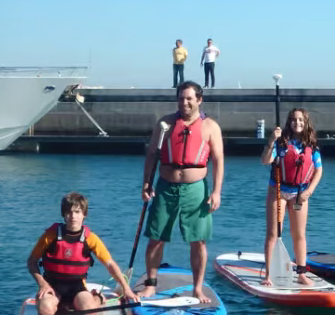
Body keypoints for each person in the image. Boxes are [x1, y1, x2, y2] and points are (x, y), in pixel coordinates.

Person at [139, 81, 224, 303]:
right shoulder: (165, 124)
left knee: (198, 240)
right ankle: (151, 285)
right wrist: (147, 183)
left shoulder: (210, 127)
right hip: (165, 187)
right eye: (181, 98)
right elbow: (152, 155)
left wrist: (216, 192)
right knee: (156, 237)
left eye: (189, 98)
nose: (184, 102)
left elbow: (218, 160)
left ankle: (197, 288)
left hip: (196, 189)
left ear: (199, 100)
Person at [27, 193, 139, 315]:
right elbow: (31, 262)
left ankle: (97, 298)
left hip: (77, 288)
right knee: (45, 308)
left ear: (84, 214)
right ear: (63, 214)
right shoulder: (50, 236)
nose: (73, 216)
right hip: (52, 287)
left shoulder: (90, 238)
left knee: (89, 309)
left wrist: (126, 288)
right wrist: (42, 284)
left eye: (77, 212)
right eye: (69, 212)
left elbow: (110, 264)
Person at [259, 108, 323, 286]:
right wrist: (271, 140)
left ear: (306, 122)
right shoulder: (280, 143)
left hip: (300, 194)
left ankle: (301, 273)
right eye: (294, 120)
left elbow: (318, 170)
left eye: (301, 120)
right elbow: (265, 161)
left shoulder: (311, 146)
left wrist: (309, 191)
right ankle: (268, 275)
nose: (297, 123)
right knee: (273, 233)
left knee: (299, 234)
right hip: (278, 191)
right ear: (289, 122)